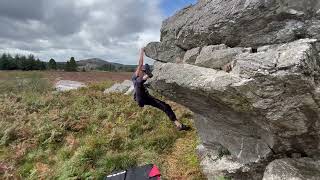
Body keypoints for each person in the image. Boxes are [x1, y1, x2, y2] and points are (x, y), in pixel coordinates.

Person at [132, 48, 190, 131]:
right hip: (139, 97)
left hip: (146, 97)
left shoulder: (140, 77)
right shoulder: (136, 76)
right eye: (143, 71)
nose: (143, 72)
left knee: (165, 106)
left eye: (145, 71)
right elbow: (140, 63)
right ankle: (149, 75)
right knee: (138, 82)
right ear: (139, 71)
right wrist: (141, 51)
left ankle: (179, 125)